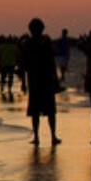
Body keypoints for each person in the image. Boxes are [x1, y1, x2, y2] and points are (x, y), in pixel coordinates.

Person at [21, 18, 61, 146]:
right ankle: (53, 136)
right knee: (50, 110)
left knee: (35, 111)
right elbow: (51, 61)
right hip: (46, 79)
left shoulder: (28, 43)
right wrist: (56, 78)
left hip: (34, 80)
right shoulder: (46, 41)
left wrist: (23, 82)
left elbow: (24, 64)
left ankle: (37, 137)